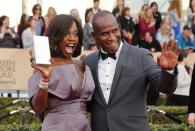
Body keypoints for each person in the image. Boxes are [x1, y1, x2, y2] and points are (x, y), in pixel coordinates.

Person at [84, 10, 179, 131]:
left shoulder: (141, 55)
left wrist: (168, 71)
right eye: (104, 34)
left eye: (114, 31)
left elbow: (164, 87)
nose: (112, 37)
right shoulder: (88, 62)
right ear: (94, 36)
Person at [28, 14, 95, 131]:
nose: (72, 38)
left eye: (76, 34)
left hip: (83, 127)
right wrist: (45, 78)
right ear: (56, 36)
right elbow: (38, 108)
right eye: (67, 33)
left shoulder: (81, 65)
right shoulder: (46, 65)